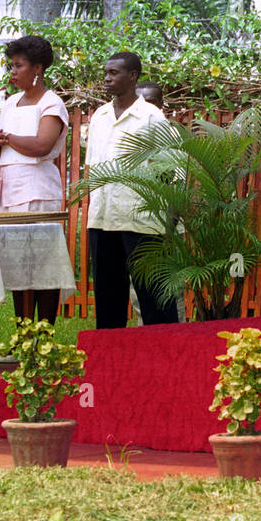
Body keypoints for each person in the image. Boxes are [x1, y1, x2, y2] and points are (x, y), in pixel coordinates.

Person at [84, 52, 178, 329]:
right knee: (107, 298)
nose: (107, 79)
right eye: (106, 72)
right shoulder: (99, 116)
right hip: (102, 219)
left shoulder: (151, 117)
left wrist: (168, 222)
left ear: (133, 76)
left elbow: (169, 172)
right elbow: (93, 169)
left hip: (142, 221)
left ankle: (164, 357)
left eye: (114, 73)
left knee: (154, 299)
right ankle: (111, 361)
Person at [0, 35, 69, 324]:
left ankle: (43, 334)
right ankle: (23, 330)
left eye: (19, 65)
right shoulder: (9, 103)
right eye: (11, 65)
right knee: (19, 264)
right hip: (8, 189)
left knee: (42, 263)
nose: (13, 71)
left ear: (38, 69)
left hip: (37, 189)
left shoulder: (52, 104)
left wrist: (7, 138)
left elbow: (42, 145)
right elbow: (5, 145)